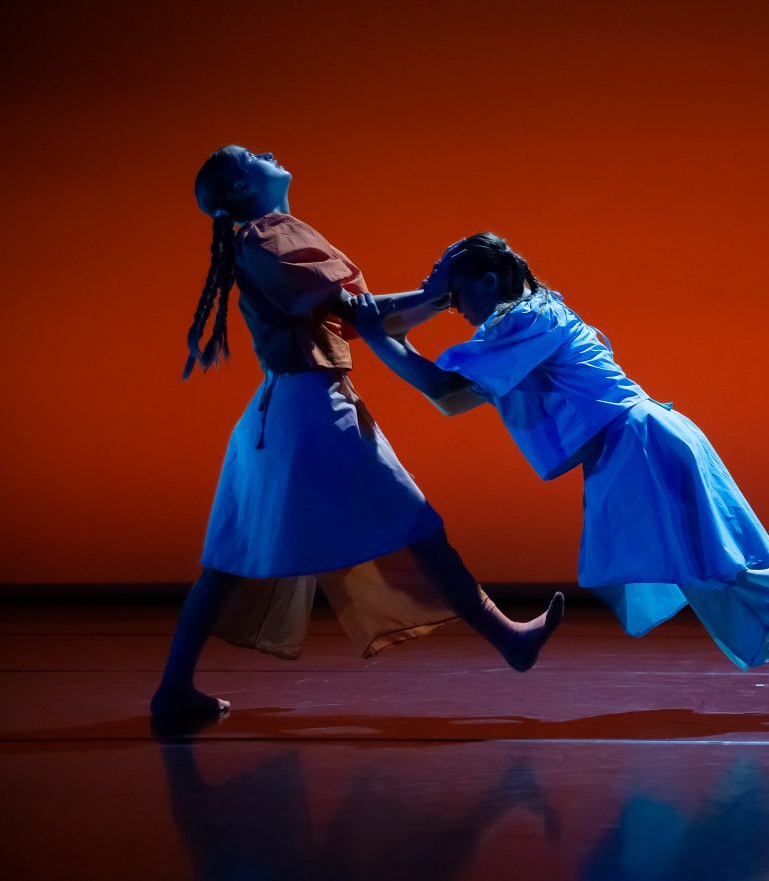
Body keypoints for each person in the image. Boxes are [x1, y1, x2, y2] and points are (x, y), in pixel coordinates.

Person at [348, 232, 769, 725]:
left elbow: (445, 391)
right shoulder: (529, 314)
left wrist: (376, 333)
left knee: (739, 568)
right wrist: (408, 312)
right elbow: (451, 390)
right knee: (728, 568)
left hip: (642, 448)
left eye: (457, 296)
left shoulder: (525, 321)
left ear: (489, 282)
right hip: (637, 447)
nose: (455, 308)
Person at [150, 151, 563, 720]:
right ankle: (509, 639)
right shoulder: (270, 235)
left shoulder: (265, 238)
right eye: (253, 156)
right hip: (312, 410)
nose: (268, 154)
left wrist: (437, 297)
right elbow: (360, 313)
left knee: (228, 559)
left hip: (278, 411)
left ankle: (173, 688)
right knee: (417, 526)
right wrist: (439, 294)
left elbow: (361, 320)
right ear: (242, 185)